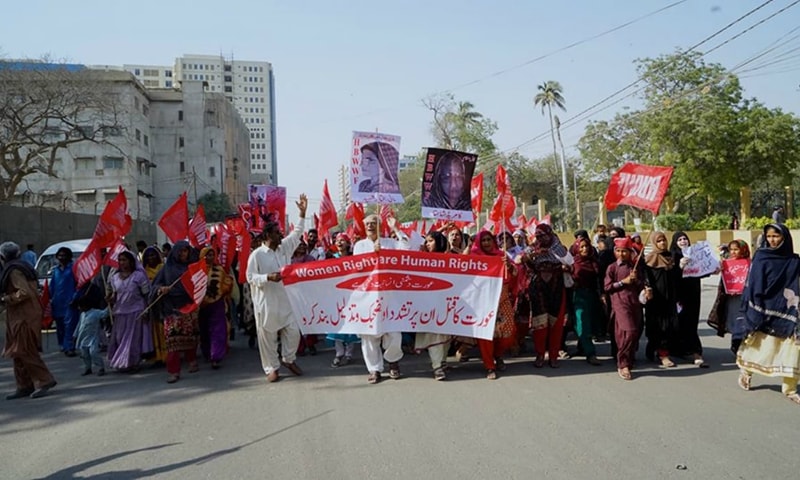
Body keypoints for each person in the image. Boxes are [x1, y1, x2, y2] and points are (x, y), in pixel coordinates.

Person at [733, 224, 800, 405]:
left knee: (791, 348)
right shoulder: (762, 257)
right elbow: (754, 284)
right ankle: (746, 372)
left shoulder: (794, 260)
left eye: (776, 236)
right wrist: (755, 309)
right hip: (762, 307)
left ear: (785, 238)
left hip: (788, 309)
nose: (772, 240)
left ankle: (790, 388)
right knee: (758, 345)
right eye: (769, 236)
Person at [246, 194, 308, 383]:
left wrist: (302, 214)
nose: (281, 235)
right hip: (266, 303)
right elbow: (250, 277)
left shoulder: (284, 248)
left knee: (293, 332)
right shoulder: (256, 255)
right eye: (277, 233)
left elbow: (297, 233)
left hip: (286, 301)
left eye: (281, 232)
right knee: (268, 337)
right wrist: (267, 277)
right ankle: (271, 368)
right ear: (267, 236)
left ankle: (289, 359)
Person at [352, 213, 410, 384]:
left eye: (374, 223)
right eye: (368, 223)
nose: (370, 226)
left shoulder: (390, 243)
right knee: (369, 336)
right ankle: (374, 369)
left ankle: (393, 362)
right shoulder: (359, 245)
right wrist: (374, 254)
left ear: (379, 225)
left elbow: (406, 249)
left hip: (389, 295)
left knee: (394, 332)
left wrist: (396, 229)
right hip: (367, 295)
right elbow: (357, 267)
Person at [1, 242, 57, 399]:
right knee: (17, 353)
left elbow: (23, 292)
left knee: (25, 351)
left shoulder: (14, 271)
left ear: (2, 257)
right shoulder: (23, 267)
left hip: (24, 317)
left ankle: (45, 380)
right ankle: (24, 385)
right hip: (19, 316)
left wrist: (6, 298)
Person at [521, 223, 572, 368]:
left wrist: (566, 267)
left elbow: (571, 264)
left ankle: (554, 355)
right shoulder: (532, 248)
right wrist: (531, 256)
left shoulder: (559, 249)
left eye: (543, 235)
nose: (540, 239)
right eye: (538, 236)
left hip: (556, 288)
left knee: (555, 323)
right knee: (540, 324)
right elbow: (520, 260)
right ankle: (540, 355)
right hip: (538, 289)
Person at [151, 241, 201, 384]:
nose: (183, 254)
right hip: (171, 308)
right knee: (172, 342)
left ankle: (192, 360)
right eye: (180, 251)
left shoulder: (192, 268)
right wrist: (161, 289)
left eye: (186, 251)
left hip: (189, 306)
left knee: (190, 337)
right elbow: (155, 285)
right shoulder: (166, 269)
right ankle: (173, 371)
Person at [472, 230, 518, 380]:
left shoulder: (501, 256)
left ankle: (498, 355)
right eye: (483, 240)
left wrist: (509, 267)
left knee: (508, 333)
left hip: (502, 299)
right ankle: (489, 366)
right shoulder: (474, 258)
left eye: (488, 239)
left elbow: (515, 274)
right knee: (486, 336)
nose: (486, 243)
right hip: (483, 301)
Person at [414, 231, 454, 380]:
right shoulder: (422, 259)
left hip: (446, 303)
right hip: (428, 305)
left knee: (446, 336)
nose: (428, 244)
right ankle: (437, 367)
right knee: (433, 336)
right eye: (427, 241)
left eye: (431, 241)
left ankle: (442, 362)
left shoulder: (449, 258)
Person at [604, 237, 644, 380]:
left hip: (634, 303)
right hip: (619, 302)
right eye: (618, 251)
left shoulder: (635, 267)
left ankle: (629, 358)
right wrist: (623, 282)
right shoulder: (612, 268)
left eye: (624, 251)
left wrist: (641, 285)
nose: (621, 254)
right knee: (629, 331)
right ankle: (623, 363)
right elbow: (607, 287)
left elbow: (640, 285)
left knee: (632, 333)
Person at [106, 251, 150, 373]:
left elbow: (146, 294)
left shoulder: (139, 276)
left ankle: (133, 363)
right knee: (120, 338)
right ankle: (122, 361)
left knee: (133, 340)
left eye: (125, 260)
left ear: (131, 261)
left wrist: (147, 310)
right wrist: (110, 299)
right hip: (120, 312)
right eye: (120, 260)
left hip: (136, 311)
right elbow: (115, 295)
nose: (122, 263)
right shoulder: (114, 278)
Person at [642, 232, 680, 367]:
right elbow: (645, 277)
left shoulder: (671, 257)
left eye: (664, 240)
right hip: (656, 299)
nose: (662, 243)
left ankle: (659, 351)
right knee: (657, 326)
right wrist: (647, 287)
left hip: (669, 298)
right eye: (659, 241)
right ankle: (660, 353)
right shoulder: (650, 259)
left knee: (669, 326)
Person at [670, 232, 708, 367]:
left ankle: (695, 351)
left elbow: (702, 269)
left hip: (693, 293)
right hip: (678, 295)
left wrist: (713, 270)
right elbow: (669, 276)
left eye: (685, 239)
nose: (683, 241)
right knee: (680, 322)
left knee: (691, 322)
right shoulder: (673, 256)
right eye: (679, 239)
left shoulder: (694, 254)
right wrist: (679, 266)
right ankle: (680, 349)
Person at [708, 240, 751, 353]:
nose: (733, 252)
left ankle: (743, 346)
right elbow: (724, 279)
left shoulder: (750, 263)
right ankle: (736, 345)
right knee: (734, 320)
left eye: (736, 249)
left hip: (746, 298)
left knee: (744, 322)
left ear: (743, 250)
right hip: (731, 298)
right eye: (731, 250)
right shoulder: (727, 263)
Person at [570, 236, 602, 366]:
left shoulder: (593, 262)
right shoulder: (572, 263)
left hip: (592, 295)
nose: (585, 249)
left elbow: (599, 278)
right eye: (581, 247)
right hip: (578, 295)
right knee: (582, 323)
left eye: (587, 246)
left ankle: (582, 347)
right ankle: (591, 353)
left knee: (590, 323)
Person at [199, 247, 233, 369]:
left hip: (216, 304)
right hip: (201, 306)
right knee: (204, 330)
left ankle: (216, 357)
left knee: (218, 330)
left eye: (212, 255)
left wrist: (223, 290)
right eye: (207, 255)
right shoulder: (196, 271)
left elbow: (227, 282)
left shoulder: (219, 270)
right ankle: (207, 353)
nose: (209, 257)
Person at [50, 246, 79, 356]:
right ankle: (62, 344)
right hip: (57, 303)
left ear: (69, 257)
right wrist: (50, 299)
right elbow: (52, 286)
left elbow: (78, 285)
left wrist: (75, 297)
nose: (62, 257)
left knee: (70, 325)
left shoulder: (73, 268)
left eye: (64, 255)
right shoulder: (55, 270)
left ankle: (69, 347)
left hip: (70, 302)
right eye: (60, 255)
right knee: (60, 326)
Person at [142, 246, 167, 365]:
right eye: (148, 256)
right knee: (154, 329)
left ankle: (167, 355)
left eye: (153, 255)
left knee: (164, 328)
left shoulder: (163, 268)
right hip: (150, 304)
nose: (151, 258)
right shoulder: (142, 272)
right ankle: (157, 356)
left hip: (164, 302)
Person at [75, 296, 107, 376]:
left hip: (93, 338)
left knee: (93, 353)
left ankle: (101, 367)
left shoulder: (96, 313)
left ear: (85, 306)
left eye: (80, 306)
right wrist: (75, 335)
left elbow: (105, 313)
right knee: (85, 354)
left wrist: (109, 303)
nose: (79, 308)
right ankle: (88, 368)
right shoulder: (82, 315)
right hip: (83, 338)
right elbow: (79, 325)